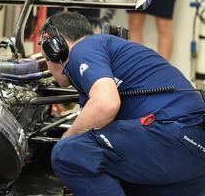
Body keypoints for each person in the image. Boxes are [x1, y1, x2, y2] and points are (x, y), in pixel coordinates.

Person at [39, 11, 205, 196]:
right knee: (122, 180)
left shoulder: (84, 48)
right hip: (194, 152)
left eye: (46, 57)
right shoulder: (109, 52)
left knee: (68, 153)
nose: (47, 65)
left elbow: (105, 105)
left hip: (173, 133)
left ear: (56, 47)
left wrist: (68, 137)